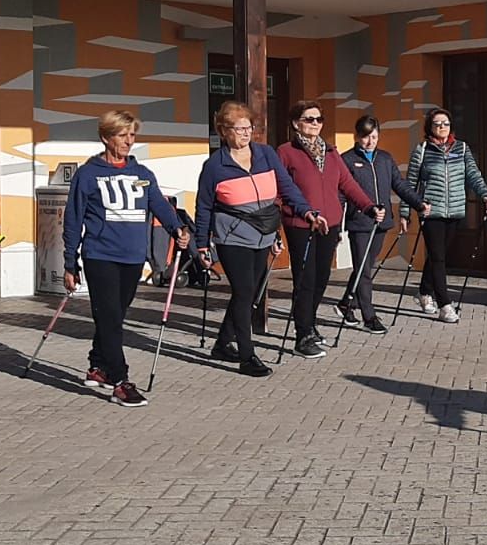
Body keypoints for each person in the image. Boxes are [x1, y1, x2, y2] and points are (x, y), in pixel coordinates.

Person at [62, 109, 190, 407]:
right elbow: (73, 218)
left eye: (132, 135)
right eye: (122, 135)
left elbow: (159, 204)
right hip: (99, 255)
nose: (129, 141)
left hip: (132, 257)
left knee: (114, 317)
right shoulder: (88, 174)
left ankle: (98, 365)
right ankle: (121, 381)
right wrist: (70, 261)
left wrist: (178, 229)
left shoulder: (143, 175)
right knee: (109, 319)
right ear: (106, 137)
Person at [194, 101, 315, 377]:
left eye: (249, 127)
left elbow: (286, 186)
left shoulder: (266, 154)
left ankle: (222, 343)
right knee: (245, 290)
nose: (246, 133)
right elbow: (203, 206)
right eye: (239, 128)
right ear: (224, 131)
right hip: (232, 236)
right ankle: (247, 356)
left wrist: (306, 211)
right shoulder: (215, 165)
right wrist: (202, 244)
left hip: (263, 233)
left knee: (250, 292)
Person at [277, 100, 379, 358]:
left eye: (319, 119)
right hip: (301, 224)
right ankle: (302, 336)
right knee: (305, 280)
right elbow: (279, 189)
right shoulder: (286, 151)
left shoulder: (331, 152)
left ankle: (310, 325)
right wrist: (286, 216)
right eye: (309, 119)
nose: (315, 124)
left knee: (321, 278)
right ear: (295, 123)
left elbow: (348, 184)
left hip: (329, 223)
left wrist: (368, 207)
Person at [338, 115, 429, 334]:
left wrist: (419, 204)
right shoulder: (346, 160)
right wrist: (336, 227)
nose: (370, 142)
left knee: (365, 268)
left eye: (374, 137)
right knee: (364, 271)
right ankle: (369, 317)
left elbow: (399, 185)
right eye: (365, 137)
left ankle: (345, 304)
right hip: (360, 222)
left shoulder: (385, 159)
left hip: (381, 222)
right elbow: (340, 194)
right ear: (357, 136)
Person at [403, 107, 487, 324]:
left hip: (454, 210)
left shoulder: (461, 148)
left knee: (438, 255)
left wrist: (485, 194)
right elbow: (410, 183)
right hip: (430, 211)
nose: (442, 127)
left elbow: (473, 174)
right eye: (437, 124)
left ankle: (424, 292)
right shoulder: (422, 149)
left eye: (446, 123)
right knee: (438, 257)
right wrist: (405, 213)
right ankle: (445, 304)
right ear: (430, 127)